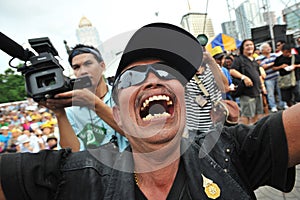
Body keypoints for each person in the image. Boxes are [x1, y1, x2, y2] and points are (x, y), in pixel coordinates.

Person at [1, 22, 300, 200]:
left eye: (167, 73)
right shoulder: (81, 177)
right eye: (132, 77)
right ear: (117, 114)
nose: (153, 78)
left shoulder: (229, 152)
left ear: (183, 99)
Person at [41, 44, 128, 152]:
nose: (83, 71)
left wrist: (94, 104)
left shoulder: (125, 96)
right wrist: (60, 114)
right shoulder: (71, 111)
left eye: (88, 64)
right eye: (76, 67)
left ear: (102, 66)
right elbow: (71, 153)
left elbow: (138, 136)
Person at [230, 39, 265, 125]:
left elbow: (259, 75)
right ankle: (244, 133)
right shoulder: (239, 59)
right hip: (247, 93)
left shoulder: (254, 61)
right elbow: (232, 71)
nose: (249, 47)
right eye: (247, 45)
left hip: (257, 91)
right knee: (246, 115)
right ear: (243, 48)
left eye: (251, 45)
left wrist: (263, 87)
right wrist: (244, 77)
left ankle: (254, 132)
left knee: (257, 114)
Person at [258, 42, 287, 112]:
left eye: (269, 47)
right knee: (270, 93)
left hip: (277, 75)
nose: (269, 48)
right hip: (268, 78)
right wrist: (274, 63)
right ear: (262, 50)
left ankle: (283, 104)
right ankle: (273, 106)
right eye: (266, 47)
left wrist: (270, 65)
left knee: (281, 91)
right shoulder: (259, 58)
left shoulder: (274, 55)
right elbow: (263, 66)